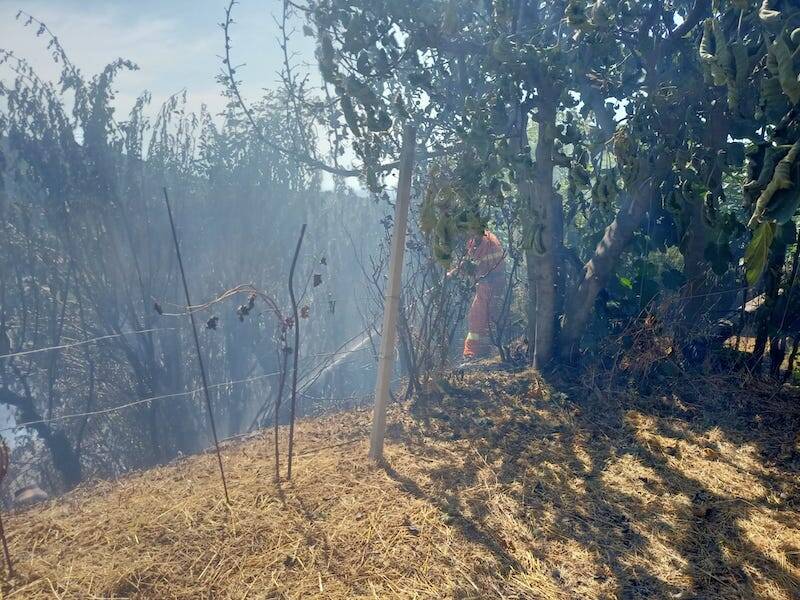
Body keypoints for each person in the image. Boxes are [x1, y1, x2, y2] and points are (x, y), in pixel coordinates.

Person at [447, 227, 506, 361]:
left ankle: (471, 354)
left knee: (478, 317)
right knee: (482, 318)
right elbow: (469, 264)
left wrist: (455, 272)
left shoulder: (489, 242)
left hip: (491, 284)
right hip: (486, 283)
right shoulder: (476, 241)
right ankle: (482, 352)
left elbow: (474, 266)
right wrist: (453, 273)